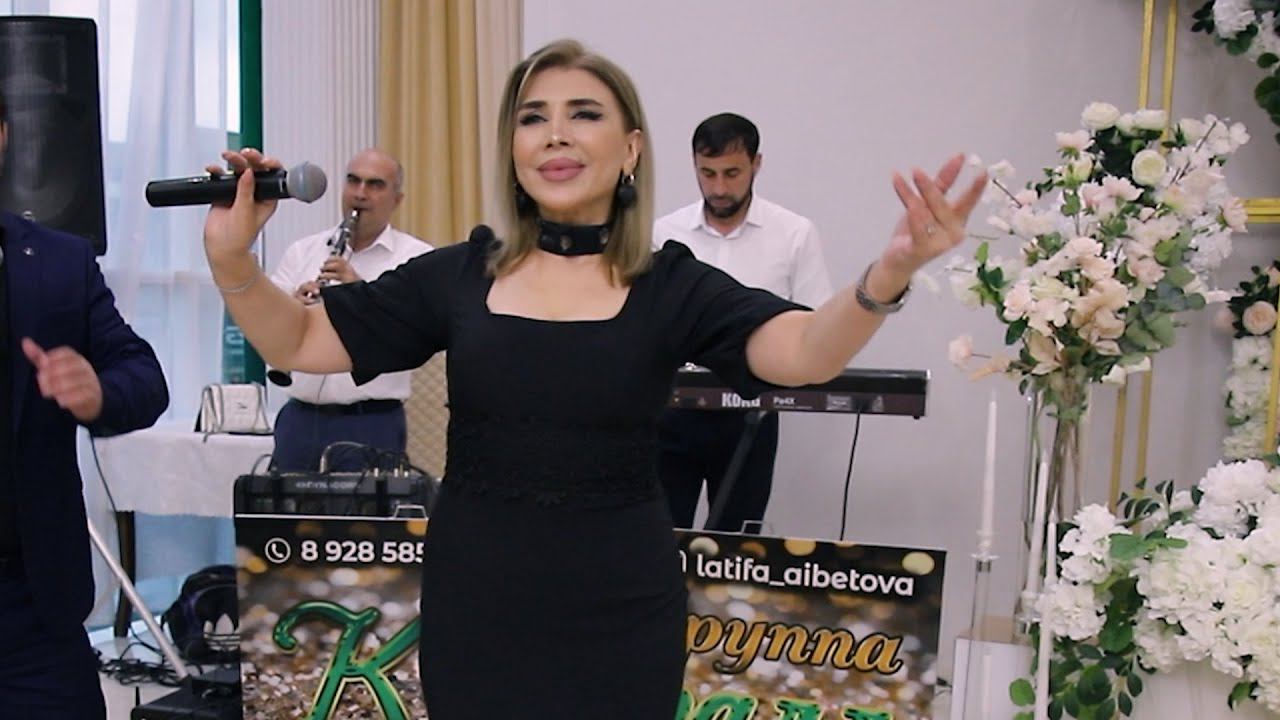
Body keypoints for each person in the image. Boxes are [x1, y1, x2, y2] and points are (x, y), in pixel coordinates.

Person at [201, 39, 984, 719]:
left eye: (583, 113)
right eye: (532, 117)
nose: (555, 133)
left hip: (622, 607)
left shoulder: (671, 283)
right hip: (479, 603)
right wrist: (232, 257)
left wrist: (887, 275)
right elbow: (300, 337)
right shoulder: (458, 274)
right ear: (513, 148)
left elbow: (807, 352)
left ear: (631, 147)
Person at [0, 93, 169, 716]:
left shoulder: (60, 261)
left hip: (32, 608)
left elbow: (143, 376)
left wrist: (98, 391)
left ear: (2, 136)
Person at [654, 112, 833, 533]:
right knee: (661, 537)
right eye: (707, 173)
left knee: (740, 545)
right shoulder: (664, 233)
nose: (719, 188)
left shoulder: (794, 233)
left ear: (757, 164)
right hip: (672, 412)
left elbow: (817, 326)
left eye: (732, 173)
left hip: (752, 413)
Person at [267, 148, 431, 472]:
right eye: (353, 181)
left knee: (365, 507)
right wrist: (293, 310)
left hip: (370, 422)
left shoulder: (417, 259)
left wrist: (360, 294)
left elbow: (416, 335)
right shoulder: (302, 251)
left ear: (397, 200)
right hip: (300, 418)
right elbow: (268, 330)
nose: (360, 193)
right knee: (287, 506)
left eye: (375, 185)